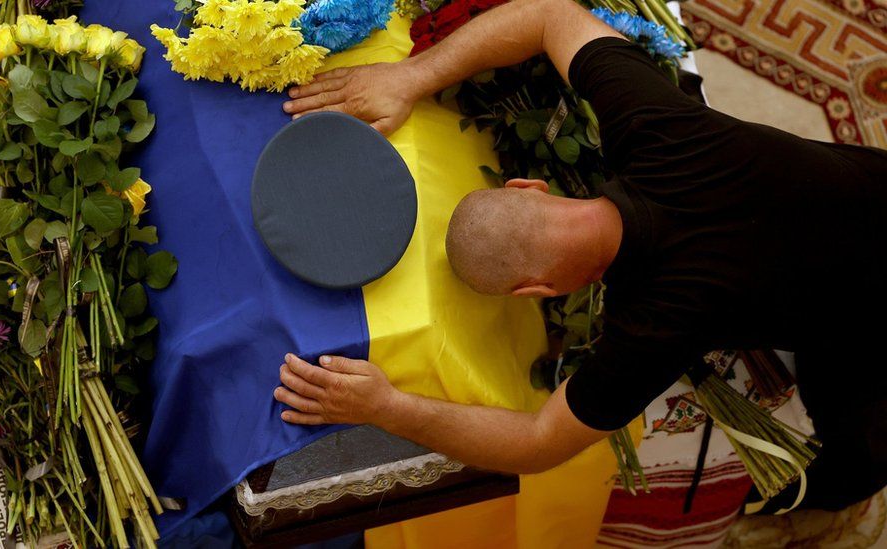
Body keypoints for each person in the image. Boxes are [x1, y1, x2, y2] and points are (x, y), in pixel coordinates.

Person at [273, 0, 887, 510]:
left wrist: (388, 406)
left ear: (534, 291)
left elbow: (540, 444)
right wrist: (413, 76)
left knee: (852, 443)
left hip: (861, 325)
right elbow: (549, 14)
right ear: (529, 187)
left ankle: (846, 484)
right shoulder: (657, 127)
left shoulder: (653, 326)